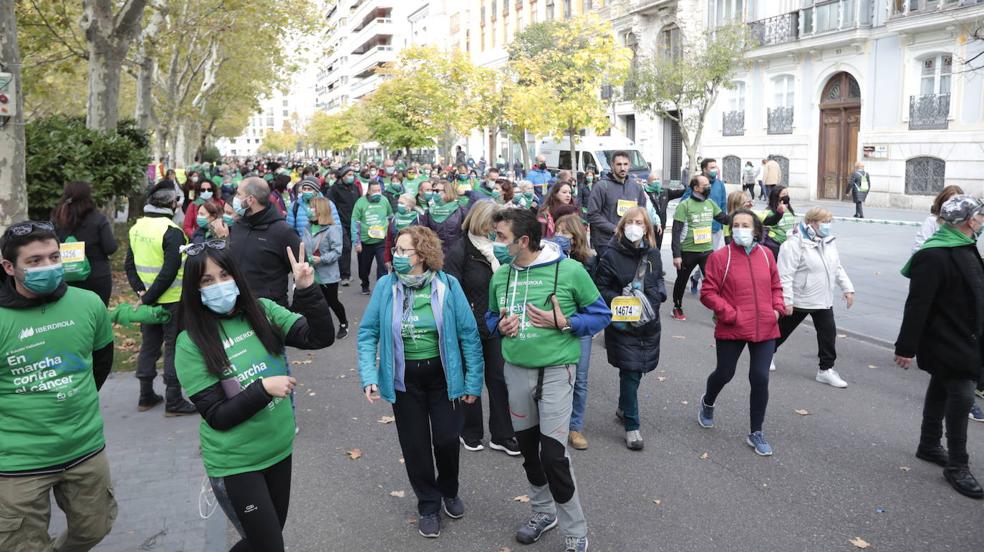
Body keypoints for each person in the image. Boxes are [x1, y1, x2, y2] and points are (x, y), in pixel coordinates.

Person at [175, 240, 334, 551]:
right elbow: (218, 416)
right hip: (237, 462)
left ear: (237, 275)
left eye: (224, 275)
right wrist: (262, 389)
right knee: (270, 546)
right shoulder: (190, 343)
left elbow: (319, 337)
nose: (219, 285)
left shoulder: (263, 311)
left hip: (278, 448)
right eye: (207, 280)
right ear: (194, 289)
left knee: (263, 541)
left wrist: (306, 290)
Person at [486, 209, 611, 552]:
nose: (496, 244)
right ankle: (543, 513)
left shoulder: (570, 270)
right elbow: (489, 316)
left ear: (523, 241)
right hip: (515, 371)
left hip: (556, 371)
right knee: (528, 451)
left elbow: (602, 315)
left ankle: (576, 532)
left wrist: (566, 322)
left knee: (553, 455)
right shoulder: (502, 276)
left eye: (500, 238)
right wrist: (499, 326)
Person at [358, 226, 483, 537]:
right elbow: (368, 333)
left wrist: (473, 382)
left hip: (444, 379)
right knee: (415, 447)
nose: (396, 257)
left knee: (446, 441)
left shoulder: (448, 285)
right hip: (404, 382)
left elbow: (469, 335)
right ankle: (428, 504)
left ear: (423, 255)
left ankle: (449, 490)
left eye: (404, 252)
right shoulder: (386, 287)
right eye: (396, 250)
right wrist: (369, 375)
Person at [0, 221, 117, 551]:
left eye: (54, 257)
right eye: (34, 261)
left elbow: (101, 362)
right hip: (18, 462)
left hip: (84, 449)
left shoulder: (88, 304)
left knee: (96, 527)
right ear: (9, 267)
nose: (48, 267)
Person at [895, 195, 984, 499]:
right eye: (980, 216)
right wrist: (905, 347)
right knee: (961, 396)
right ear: (970, 221)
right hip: (946, 340)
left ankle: (929, 443)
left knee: (941, 388)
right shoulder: (933, 254)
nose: (982, 221)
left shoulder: (963, 246)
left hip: (963, 336)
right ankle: (957, 465)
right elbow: (917, 305)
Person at [696, 209, 786, 456]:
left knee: (760, 378)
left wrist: (777, 310)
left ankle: (756, 432)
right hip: (732, 325)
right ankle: (708, 401)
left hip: (766, 326)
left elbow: (776, 286)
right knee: (724, 373)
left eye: (746, 225)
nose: (740, 229)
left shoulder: (767, 255)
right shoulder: (720, 257)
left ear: (756, 230)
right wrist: (730, 314)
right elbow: (708, 293)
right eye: (736, 225)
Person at [445, 201, 521, 456]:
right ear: (482, 222)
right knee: (471, 382)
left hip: (496, 325)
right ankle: (470, 431)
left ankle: (503, 434)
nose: (496, 228)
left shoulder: (500, 249)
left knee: (500, 379)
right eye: (493, 223)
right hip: (469, 327)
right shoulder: (459, 250)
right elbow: (451, 294)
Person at [594, 207, 665, 451]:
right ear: (622, 226)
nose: (635, 226)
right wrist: (622, 298)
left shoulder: (653, 254)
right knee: (630, 372)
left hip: (648, 323)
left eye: (640, 222)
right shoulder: (610, 255)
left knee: (638, 372)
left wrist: (654, 300)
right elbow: (599, 287)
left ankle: (625, 407)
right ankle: (632, 426)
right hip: (623, 324)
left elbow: (657, 282)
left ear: (647, 228)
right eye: (631, 222)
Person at [125, 181, 197, 415]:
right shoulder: (172, 231)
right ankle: (174, 400)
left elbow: (129, 265)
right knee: (173, 347)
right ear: (172, 204)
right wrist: (148, 298)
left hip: (149, 299)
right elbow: (169, 271)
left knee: (149, 345)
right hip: (173, 300)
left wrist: (142, 292)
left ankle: (145, 396)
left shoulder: (137, 228)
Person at [775, 208, 855, 386]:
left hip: (823, 299)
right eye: (824, 222)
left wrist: (848, 288)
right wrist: (787, 301)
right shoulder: (794, 243)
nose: (827, 226)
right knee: (782, 331)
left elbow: (837, 266)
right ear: (811, 222)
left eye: (829, 222)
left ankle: (826, 370)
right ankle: (766, 355)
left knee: (828, 333)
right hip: (800, 299)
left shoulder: (828, 241)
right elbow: (785, 275)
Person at [550, 214, 597, 451]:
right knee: (553, 376)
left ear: (576, 236)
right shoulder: (547, 258)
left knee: (580, 379)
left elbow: (594, 298)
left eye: (566, 232)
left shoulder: (588, 261)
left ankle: (574, 426)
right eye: (558, 230)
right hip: (553, 323)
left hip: (580, 325)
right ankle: (552, 423)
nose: (561, 236)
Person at [228, 177, 302, 307]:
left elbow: (303, 275)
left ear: (250, 200)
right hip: (238, 308)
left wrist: (293, 312)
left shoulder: (283, 232)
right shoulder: (237, 226)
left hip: (270, 312)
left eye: (239, 194)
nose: (235, 198)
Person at [670, 175, 729, 321]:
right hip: (687, 251)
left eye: (709, 184)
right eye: (705, 185)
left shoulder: (710, 203)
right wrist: (676, 255)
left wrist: (741, 213)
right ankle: (677, 306)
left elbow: (724, 219)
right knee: (682, 280)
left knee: (712, 281)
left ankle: (718, 311)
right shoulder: (685, 205)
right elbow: (676, 231)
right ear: (696, 188)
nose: (708, 187)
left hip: (707, 251)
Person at [51, 181, 119, 305]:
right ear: (88, 196)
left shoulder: (57, 219)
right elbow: (110, 248)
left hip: (66, 277)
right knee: (98, 316)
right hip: (97, 276)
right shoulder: (98, 219)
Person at [586, 151, 649, 260]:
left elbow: (642, 213)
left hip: (630, 240)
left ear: (629, 165)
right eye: (619, 164)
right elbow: (592, 215)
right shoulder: (601, 186)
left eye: (625, 164)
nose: (622, 168)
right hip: (607, 242)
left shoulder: (636, 187)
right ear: (612, 165)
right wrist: (615, 229)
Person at [302, 197, 349, 339]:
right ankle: (319, 329)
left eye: (313, 207)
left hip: (328, 275)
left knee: (332, 301)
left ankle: (343, 324)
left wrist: (321, 259)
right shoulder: (307, 227)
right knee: (315, 302)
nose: (310, 210)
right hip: (311, 273)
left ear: (321, 210)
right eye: (310, 207)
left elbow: (337, 251)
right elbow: (304, 247)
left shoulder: (332, 229)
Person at [352, 180, 393, 295]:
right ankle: (365, 284)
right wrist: (357, 242)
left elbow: (390, 216)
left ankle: (381, 288)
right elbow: (355, 222)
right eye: (374, 191)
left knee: (383, 266)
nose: (377, 193)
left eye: (379, 190)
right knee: (364, 268)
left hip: (381, 241)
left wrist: (389, 232)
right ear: (369, 191)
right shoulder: (360, 203)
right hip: (365, 242)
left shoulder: (384, 201)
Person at [327, 166, 363, 286]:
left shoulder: (355, 187)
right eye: (348, 174)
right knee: (345, 246)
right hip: (340, 222)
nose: (351, 177)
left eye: (352, 174)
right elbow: (330, 205)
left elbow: (359, 202)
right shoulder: (334, 189)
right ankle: (344, 275)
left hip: (354, 221)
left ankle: (362, 275)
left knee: (357, 246)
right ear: (342, 176)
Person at [913, 185, 965, 253]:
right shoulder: (932, 221)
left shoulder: (963, 224)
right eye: (950, 203)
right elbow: (919, 248)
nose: (954, 207)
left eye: (958, 203)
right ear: (942, 202)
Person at [423, 180, 467, 256]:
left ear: (447, 192)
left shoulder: (460, 210)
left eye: (437, 191)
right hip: (435, 254)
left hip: (456, 254)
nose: (434, 193)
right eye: (433, 191)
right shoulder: (429, 211)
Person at [642, 173, 684, 250]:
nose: (657, 181)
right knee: (648, 247)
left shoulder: (664, 191)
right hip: (648, 224)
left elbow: (679, 193)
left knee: (658, 247)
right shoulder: (644, 192)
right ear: (648, 182)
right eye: (654, 180)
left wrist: (685, 185)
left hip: (661, 224)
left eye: (658, 179)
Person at [761, 185, 796, 260]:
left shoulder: (789, 210)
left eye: (787, 194)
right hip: (775, 244)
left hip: (788, 244)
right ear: (776, 196)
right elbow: (768, 222)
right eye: (783, 194)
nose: (786, 196)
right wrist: (779, 212)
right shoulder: (768, 211)